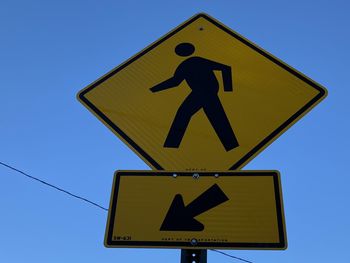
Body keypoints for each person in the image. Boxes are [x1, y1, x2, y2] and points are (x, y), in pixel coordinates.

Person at [150, 42, 239, 151]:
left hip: (206, 91)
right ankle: (232, 146)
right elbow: (175, 82)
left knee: (184, 113)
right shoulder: (184, 65)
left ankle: (171, 146)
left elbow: (225, 68)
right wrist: (154, 89)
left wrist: (228, 90)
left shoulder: (196, 61)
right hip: (202, 92)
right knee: (216, 117)